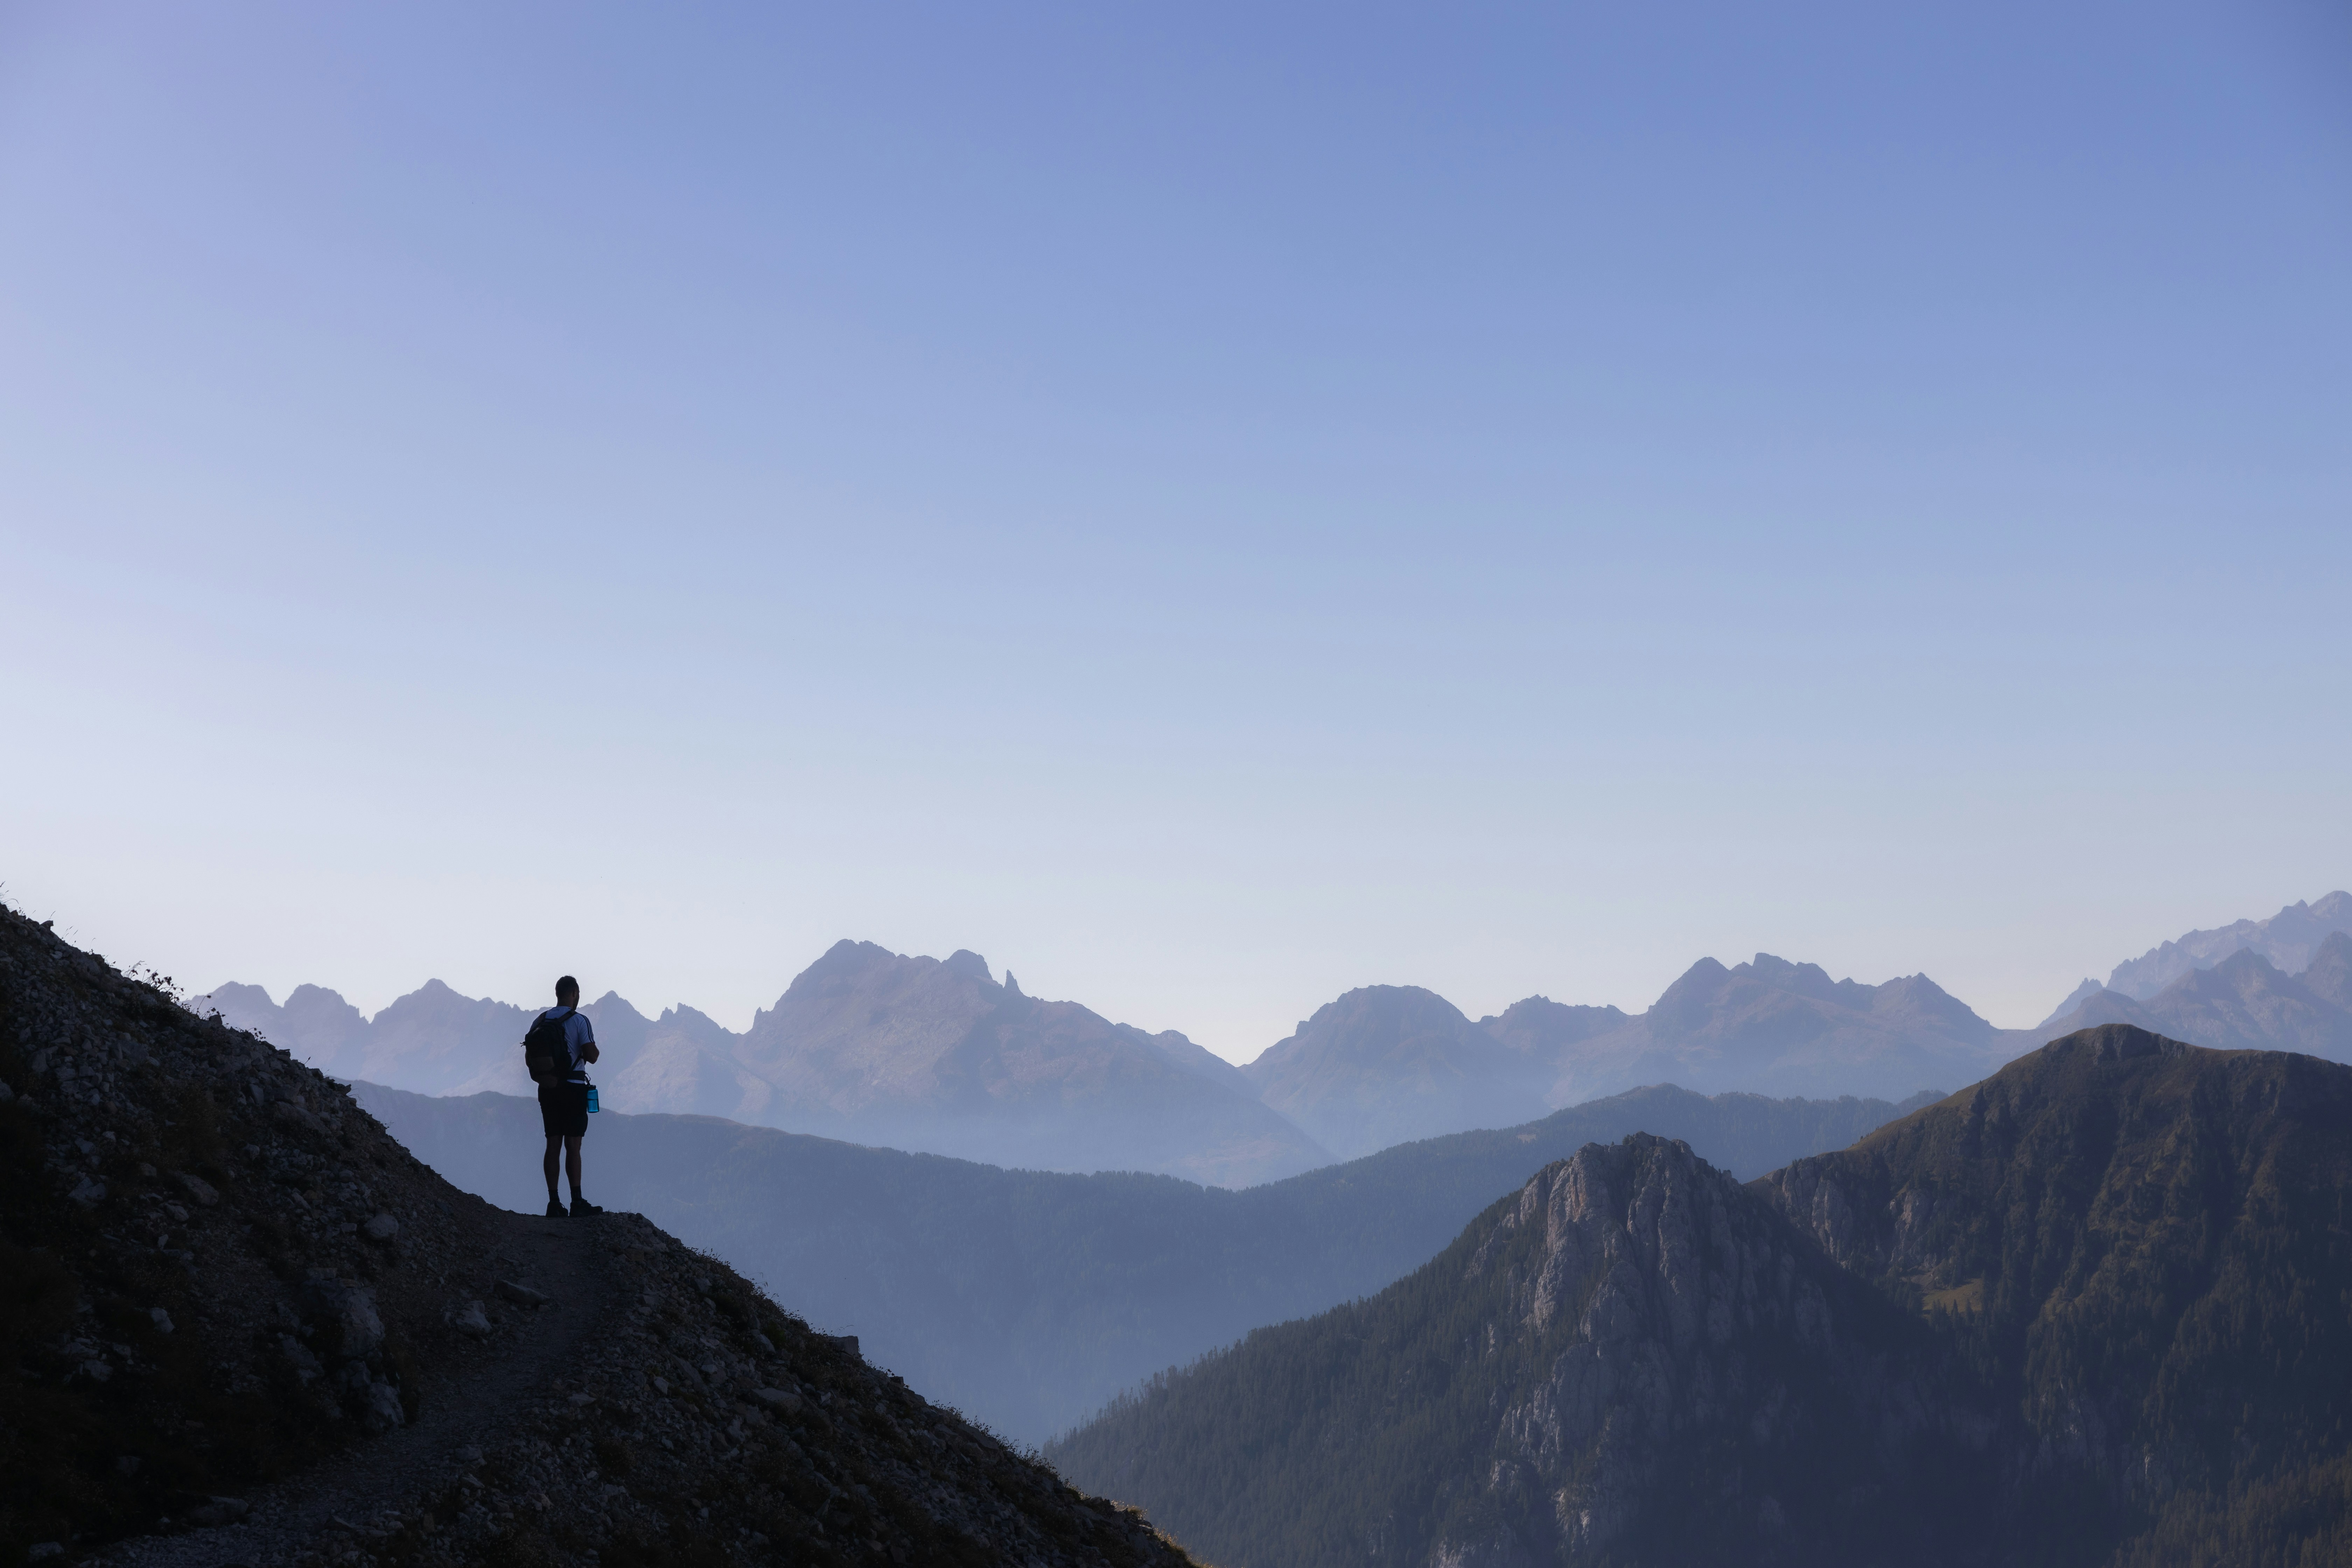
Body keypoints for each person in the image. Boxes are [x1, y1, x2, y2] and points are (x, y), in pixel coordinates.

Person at [533, 975, 604, 1218]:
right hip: (573, 1088)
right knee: (573, 1145)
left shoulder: (541, 1020)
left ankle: (553, 1203)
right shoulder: (580, 1021)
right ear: (574, 993)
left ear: (557, 993)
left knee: (553, 1144)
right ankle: (577, 1202)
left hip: (548, 1088)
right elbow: (592, 1056)